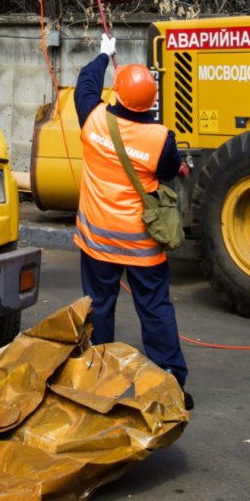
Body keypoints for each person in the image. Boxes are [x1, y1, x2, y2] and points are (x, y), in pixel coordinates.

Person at [73, 33, 193, 409]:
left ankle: (99, 378)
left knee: (99, 305)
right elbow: (170, 171)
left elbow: (85, 84)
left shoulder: (92, 121)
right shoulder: (161, 138)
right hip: (142, 244)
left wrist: (104, 55)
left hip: (97, 241)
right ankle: (169, 380)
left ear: (118, 95)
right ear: (152, 102)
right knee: (155, 307)